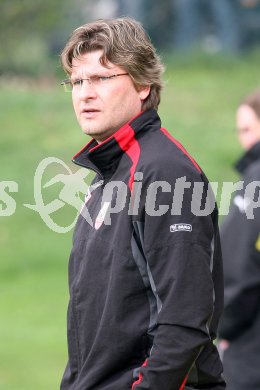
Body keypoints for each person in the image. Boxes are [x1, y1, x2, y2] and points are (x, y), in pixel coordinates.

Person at [59, 17, 225, 389]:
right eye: (77, 81)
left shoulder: (165, 172)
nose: (85, 92)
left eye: (101, 78)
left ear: (142, 84)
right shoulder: (105, 177)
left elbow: (185, 320)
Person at [218, 89, 260, 390]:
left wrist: (223, 327)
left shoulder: (256, 179)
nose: (242, 140)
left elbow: (239, 266)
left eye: (247, 129)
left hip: (250, 351)